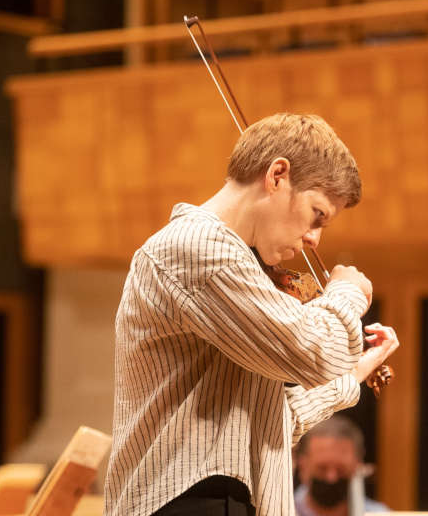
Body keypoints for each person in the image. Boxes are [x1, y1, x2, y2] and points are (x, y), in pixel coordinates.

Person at [104, 113, 399, 516]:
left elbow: (271, 421)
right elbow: (315, 351)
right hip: (187, 504)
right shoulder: (200, 247)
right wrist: (345, 292)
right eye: (317, 215)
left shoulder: (236, 264)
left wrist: (358, 369)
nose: (314, 239)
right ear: (277, 175)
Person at [293, 416, 388, 516]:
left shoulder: (379, 513)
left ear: (357, 465)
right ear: (302, 464)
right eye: (322, 468)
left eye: (341, 469)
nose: (331, 477)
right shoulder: (281, 511)